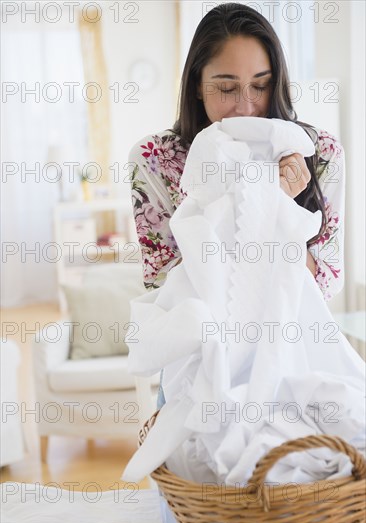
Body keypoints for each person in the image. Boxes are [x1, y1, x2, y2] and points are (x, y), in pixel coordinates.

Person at [128, 3, 345, 409]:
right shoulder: (155, 159)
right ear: (197, 84)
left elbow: (327, 279)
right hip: (196, 368)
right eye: (226, 88)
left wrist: (281, 207)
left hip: (293, 355)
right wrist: (235, 200)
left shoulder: (319, 152)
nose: (246, 106)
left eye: (260, 85)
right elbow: (164, 287)